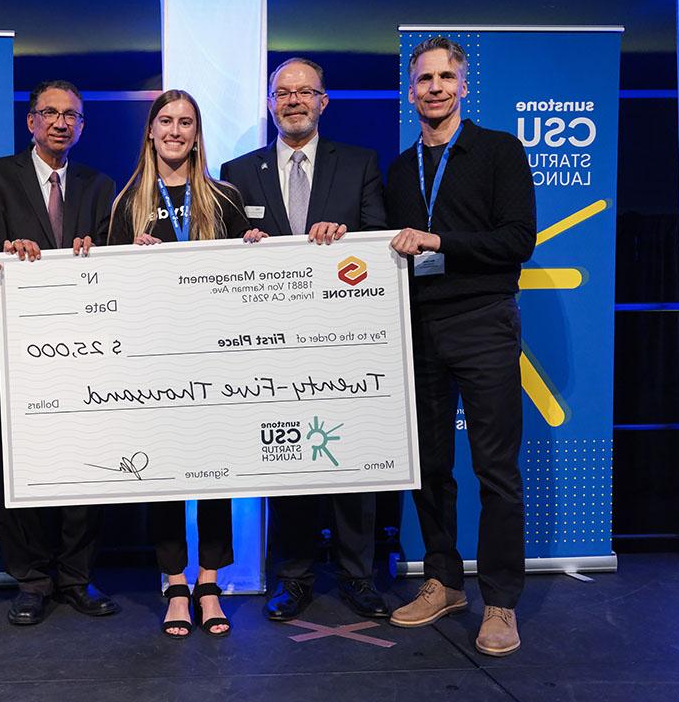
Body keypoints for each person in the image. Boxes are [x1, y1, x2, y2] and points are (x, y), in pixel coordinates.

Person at [220, 58, 390, 622]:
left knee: (353, 462)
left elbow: (378, 242)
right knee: (287, 459)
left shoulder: (360, 164)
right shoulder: (236, 172)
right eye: (282, 92)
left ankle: (358, 576)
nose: (293, 100)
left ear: (323, 101)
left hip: (345, 342)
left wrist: (347, 239)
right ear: (270, 102)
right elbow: (219, 260)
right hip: (271, 348)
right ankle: (291, 578)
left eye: (304, 92)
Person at [385, 36, 535, 657]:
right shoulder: (398, 168)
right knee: (428, 464)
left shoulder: (500, 151)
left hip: (483, 322)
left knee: (495, 468)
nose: (436, 87)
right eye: (425, 78)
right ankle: (444, 579)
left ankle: (500, 601)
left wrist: (440, 240)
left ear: (464, 85)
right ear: (411, 88)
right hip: (416, 328)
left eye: (447, 76)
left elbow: (517, 241)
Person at [0, 80, 118, 626]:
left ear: (81, 126)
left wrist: (96, 252)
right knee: (22, 468)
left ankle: (76, 577)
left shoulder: (101, 186)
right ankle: (31, 580)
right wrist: (3, 251)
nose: (59, 122)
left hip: (88, 354)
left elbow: (113, 261)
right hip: (18, 354)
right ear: (30, 122)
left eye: (71, 115)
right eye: (49, 113)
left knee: (84, 468)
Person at [108, 89, 263, 638]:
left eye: (186, 123)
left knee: (217, 473)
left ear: (197, 134)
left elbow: (249, 281)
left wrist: (255, 248)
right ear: (150, 130)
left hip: (217, 359)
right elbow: (105, 292)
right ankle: (174, 582)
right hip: (152, 361)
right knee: (166, 478)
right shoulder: (124, 203)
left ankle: (210, 580)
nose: (175, 131)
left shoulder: (223, 198)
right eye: (166, 121)